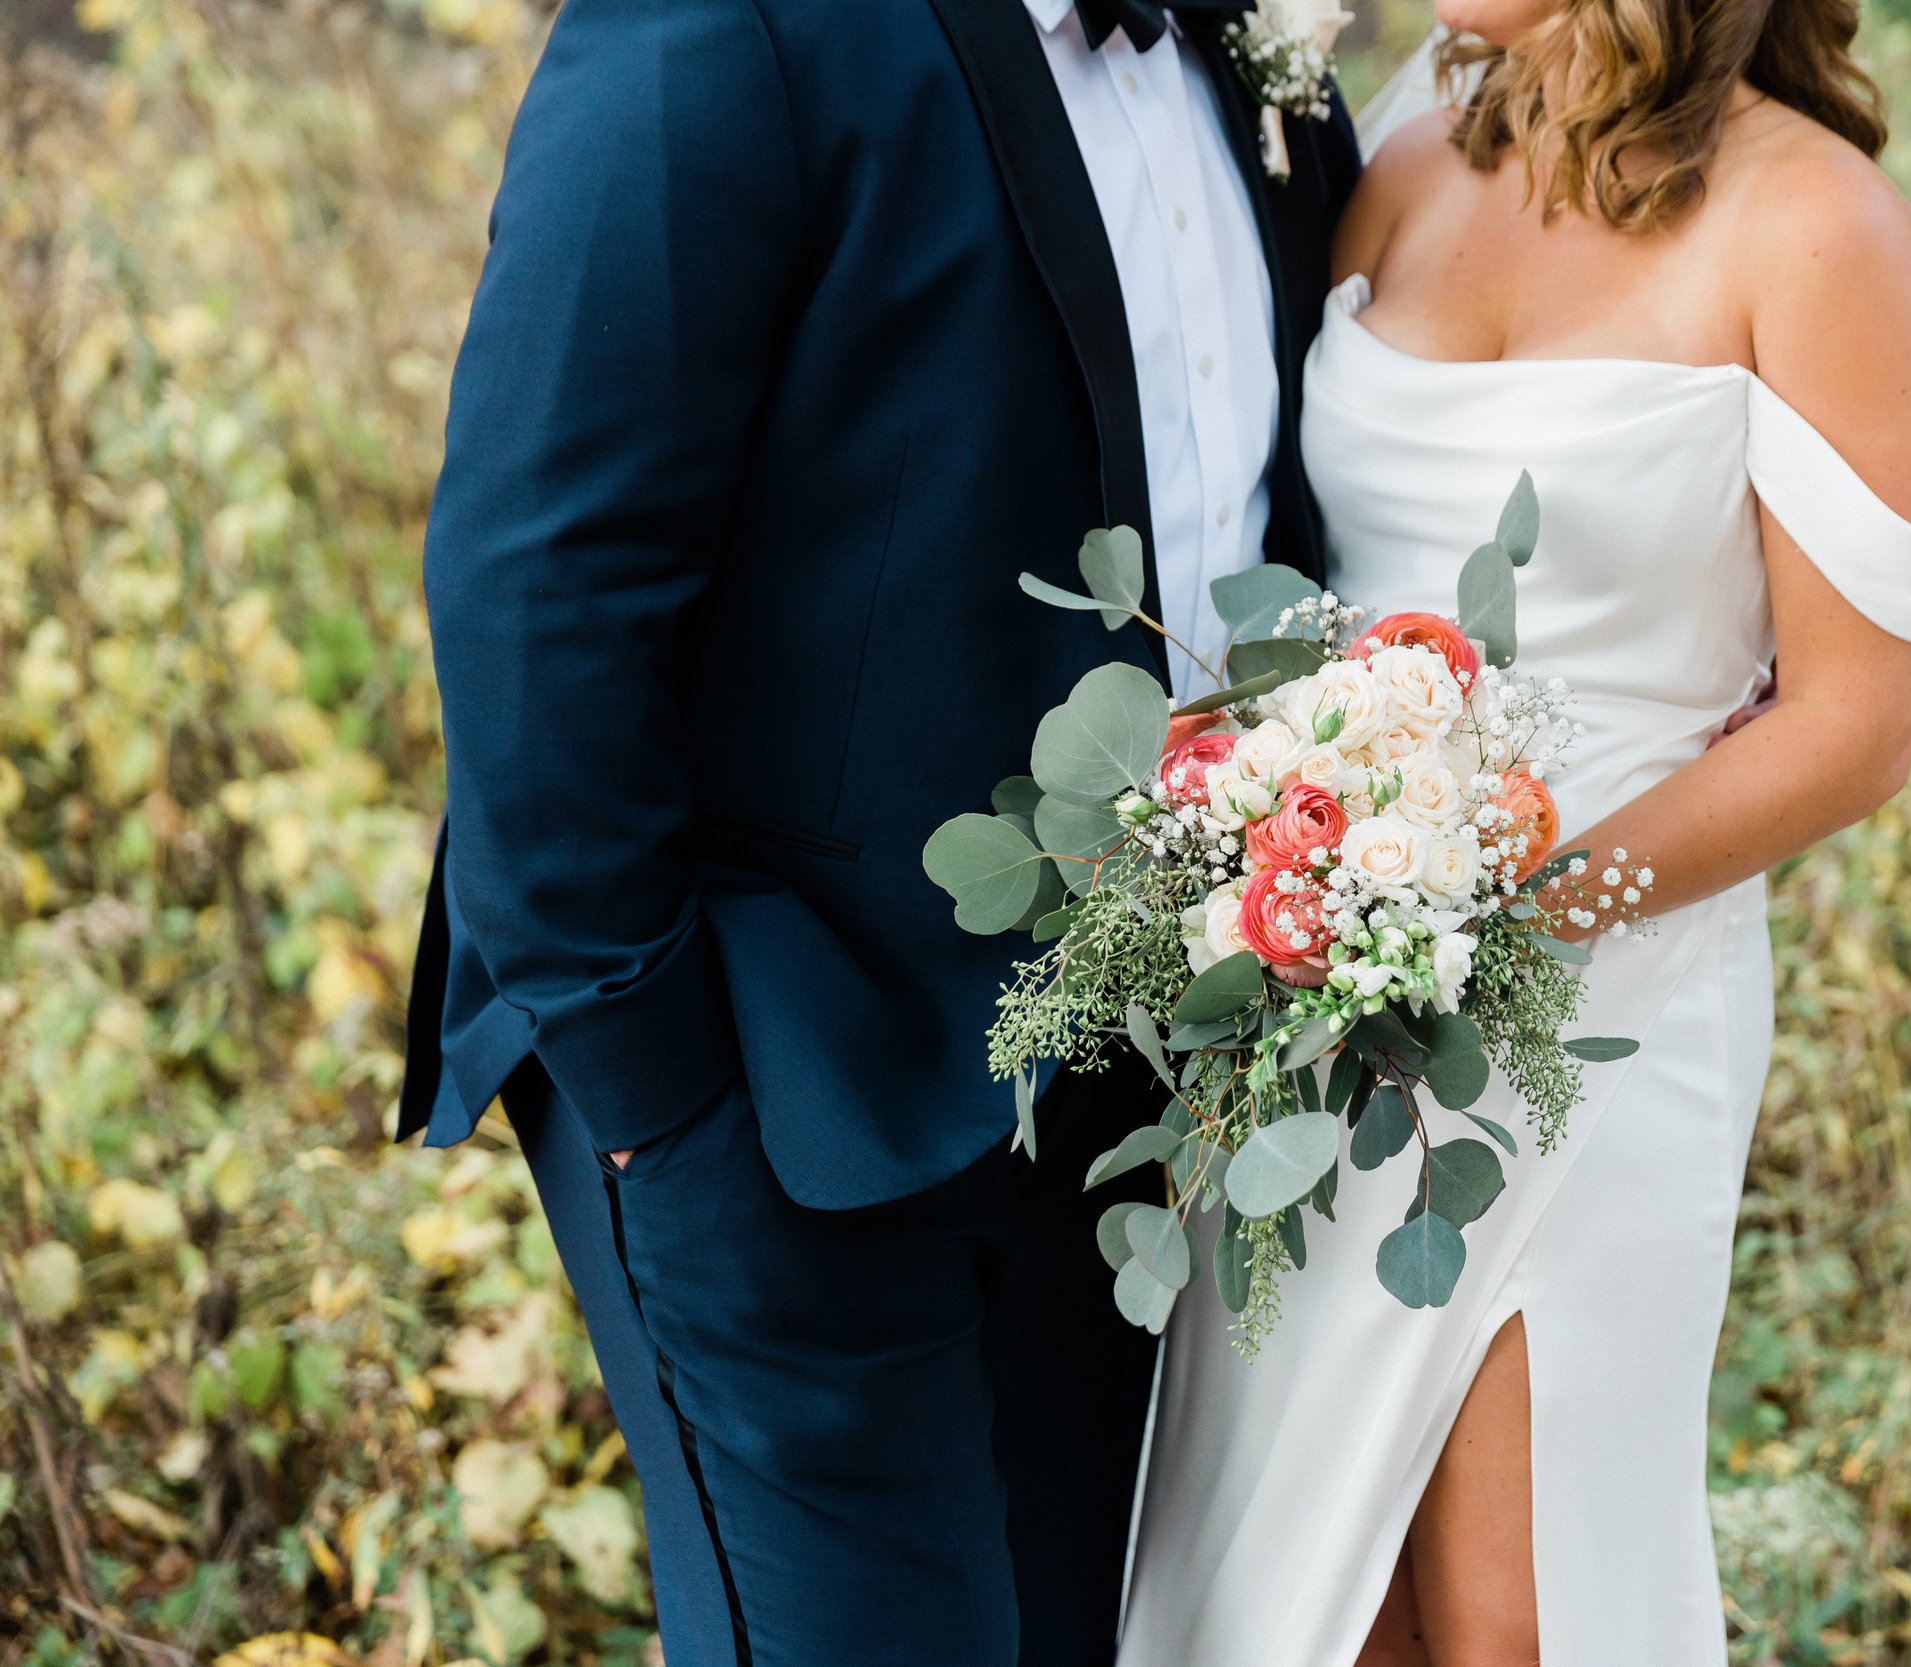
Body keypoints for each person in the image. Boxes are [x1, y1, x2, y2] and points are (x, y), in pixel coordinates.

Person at [396, 0, 1359, 1659]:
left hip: (1124, 1077)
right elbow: (538, 579)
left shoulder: (1261, 52)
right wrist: (661, 1097)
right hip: (775, 1071)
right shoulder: (721, 29)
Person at [1119, 0, 1911, 1662]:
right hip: (1320, 977)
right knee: (1307, 1593)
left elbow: (1853, 727)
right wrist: (1309, 876)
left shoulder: (1815, 226)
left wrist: (1498, 917)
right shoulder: (1395, 161)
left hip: (1596, 1018)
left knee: (1515, 1606)